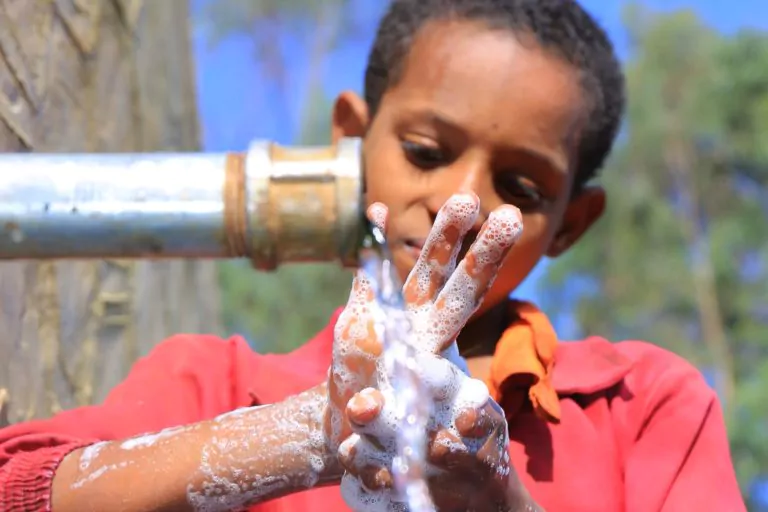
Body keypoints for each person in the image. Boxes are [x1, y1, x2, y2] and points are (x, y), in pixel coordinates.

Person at [0, 0, 746, 510]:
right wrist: (304, 437)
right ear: (350, 141)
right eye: (425, 152)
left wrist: (501, 502)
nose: (464, 201)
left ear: (572, 224)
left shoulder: (641, 406)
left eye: (520, 186)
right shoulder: (219, 387)